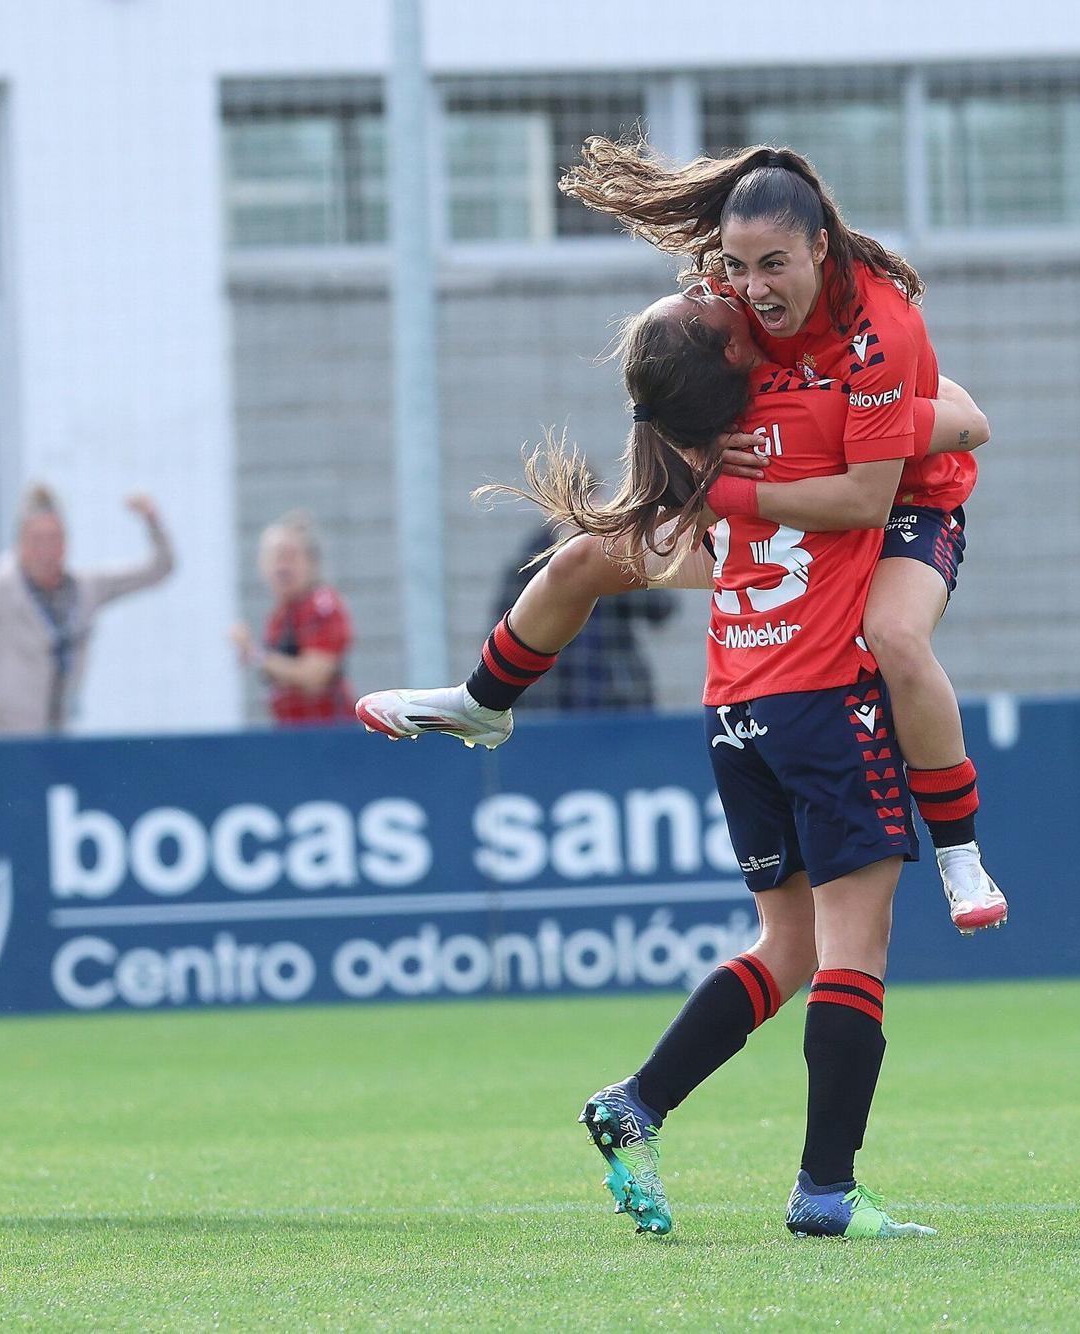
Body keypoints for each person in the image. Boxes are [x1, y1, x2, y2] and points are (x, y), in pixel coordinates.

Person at [363, 140, 1006, 937]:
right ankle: (481, 703)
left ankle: (960, 853)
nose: (750, 288)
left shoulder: (876, 327)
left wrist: (762, 474)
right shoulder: (733, 313)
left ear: (819, 246)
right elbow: (690, 391)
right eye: (737, 267)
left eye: (771, 265)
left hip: (901, 506)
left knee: (895, 635)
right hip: (788, 521)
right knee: (581, 562)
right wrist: (695, 456)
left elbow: (940, 441)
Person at [507, 289, 973, 1238]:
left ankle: (635, 1104)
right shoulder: (811, 417)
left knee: (788, 946)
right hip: (826, 704)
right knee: (855, 952)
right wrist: (882, 401)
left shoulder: (702, 449)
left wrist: (482, 697)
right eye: (726, 313)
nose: (737, 302)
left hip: (735, 712)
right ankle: (827, 1193)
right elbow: (964, 420)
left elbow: (579, 566)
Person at [0, 486, 174, 735]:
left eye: (55, 539)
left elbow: (158, 568)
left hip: (53, 736)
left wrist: (152, 520)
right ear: (20, 545)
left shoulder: (86, 589)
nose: (47, 551)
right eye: (38, 540)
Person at [493, 518, 677, 714]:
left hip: (618, 699)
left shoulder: (614, 548)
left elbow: (661, 607)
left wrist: (610, 555)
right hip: (552, 703)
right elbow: (505, 633)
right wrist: (565, 559)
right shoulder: (528, 562)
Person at [230, 511, 356, 726]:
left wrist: (255, 654)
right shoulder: (279, 617)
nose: (282, 567)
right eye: (275, 557)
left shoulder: (321, 605)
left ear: (311, 563)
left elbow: (315, 676)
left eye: (290, 557)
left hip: (328, 735)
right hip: (294, 734)